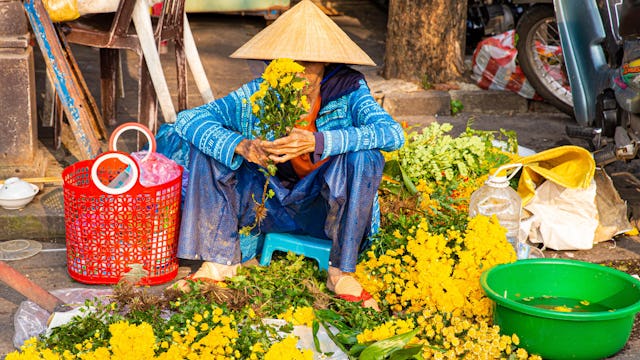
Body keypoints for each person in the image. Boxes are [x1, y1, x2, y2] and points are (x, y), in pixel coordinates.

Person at [164, 0, 404, 310]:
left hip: (323, 207)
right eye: (291, 64)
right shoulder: (262, 91)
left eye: (310, 64)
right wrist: (241, 145)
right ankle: (219, 263)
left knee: (366, 157)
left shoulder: (349, 89)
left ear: (327, 64)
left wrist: (318, 141)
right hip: (267, 204)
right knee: (209, 145)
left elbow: (392, 134)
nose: (300, 75)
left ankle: (340, 271)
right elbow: (187, 120)